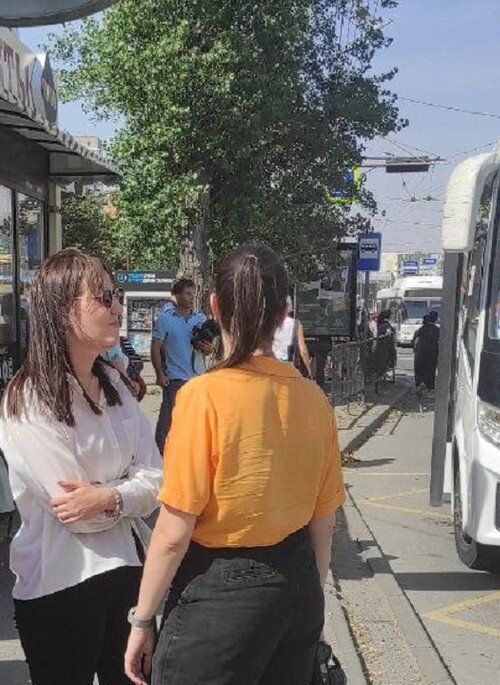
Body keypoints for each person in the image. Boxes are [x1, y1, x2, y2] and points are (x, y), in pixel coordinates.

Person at [124, 244, 345, 685]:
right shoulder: (314, 400)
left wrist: (143, 619)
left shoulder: (203, 397)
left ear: (214, 307)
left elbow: (173, 530)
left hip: (222, 597)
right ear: (284, 315)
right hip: (297, 583)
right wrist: (311, 603)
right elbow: (324, 522)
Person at [0, 248, 162, 685]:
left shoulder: (115, 386)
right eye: (103, 298)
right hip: (59, 583)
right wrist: (129, 489)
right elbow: (72, 513)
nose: (117, 308)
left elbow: (159, 480)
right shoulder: (29, 398)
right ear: (61, 310)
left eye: (117, 295)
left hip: (129, 573)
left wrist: (108, 495)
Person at [151, 278, 209, 451]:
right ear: (177, 296)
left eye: (193, 294)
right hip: (175, 378)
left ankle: (189, 453)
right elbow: (155, 347)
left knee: (195, 421)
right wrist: (160, 374)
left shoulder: (200, 319)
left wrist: (206, 347)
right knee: (169, 420)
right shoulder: (165, 319)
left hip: (197, 378)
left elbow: (208, 350)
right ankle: (159, 455)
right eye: (187, 293)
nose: (192, 297)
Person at [272, 297, 312, 377]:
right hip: (289, 366)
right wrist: (308, 369)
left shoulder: (271, 323)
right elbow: (303, 349)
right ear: (289, 307)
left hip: (272, 364)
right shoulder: (296, 324)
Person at [412, 311, 440, 392]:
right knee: (431, 370)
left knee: (420, 369)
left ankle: (419, 384)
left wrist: (415, 350)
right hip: (433, 353)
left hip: (421, 353)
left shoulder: (420, 329)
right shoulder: (438, 330)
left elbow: (414, 341)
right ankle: (430, 386)